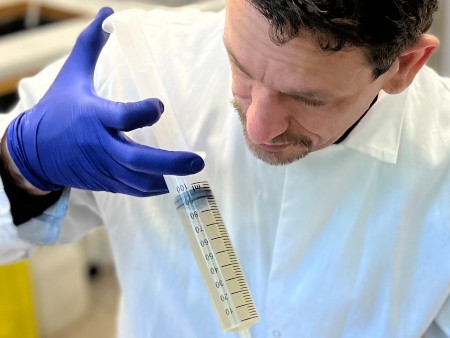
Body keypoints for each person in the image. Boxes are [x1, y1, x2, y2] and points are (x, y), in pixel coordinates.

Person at [0, 0, 449, 337]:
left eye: (308, 98)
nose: (258, 126)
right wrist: (20, 164)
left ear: (403, 66)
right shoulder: (135, 66)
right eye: (239, 66)